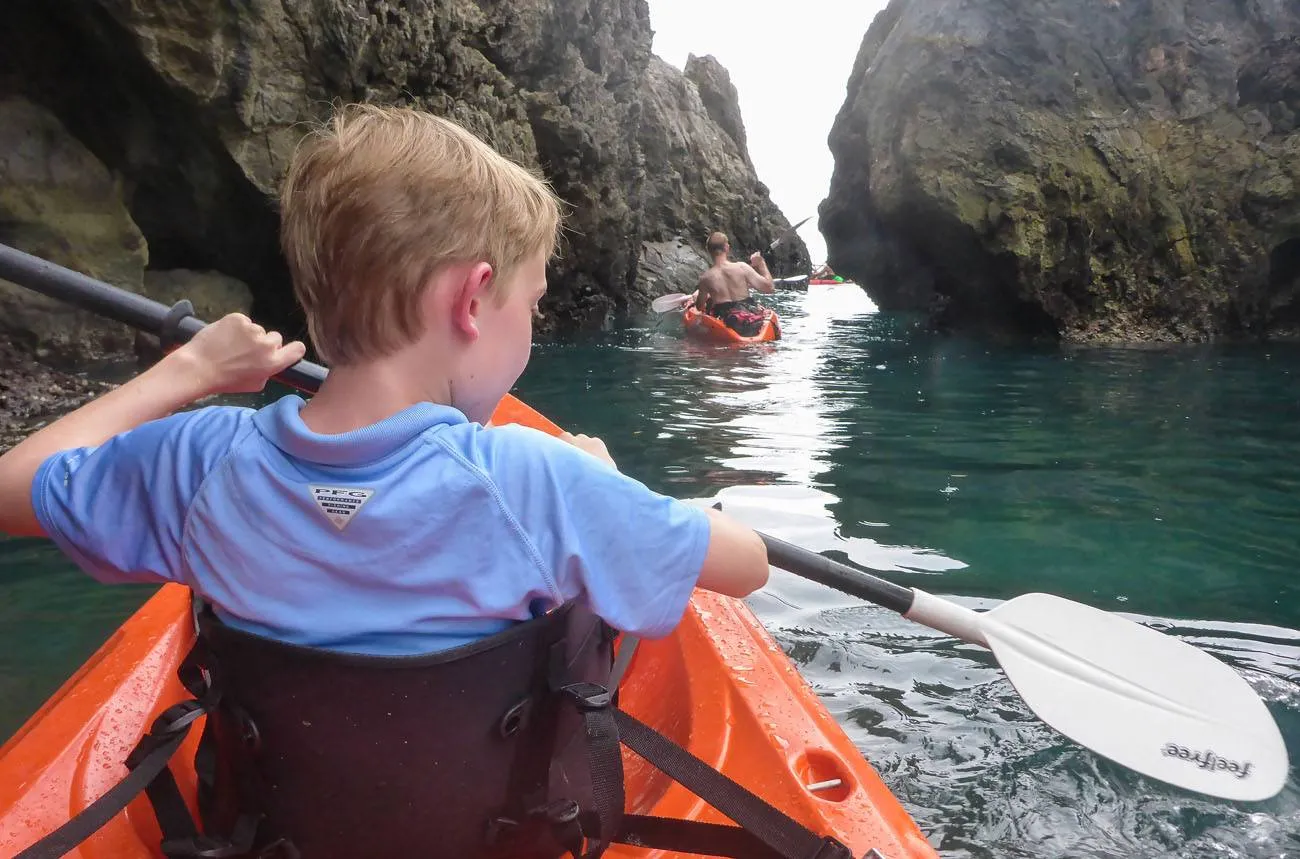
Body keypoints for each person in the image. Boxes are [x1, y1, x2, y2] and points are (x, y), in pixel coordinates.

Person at [0, 103, 771, 857]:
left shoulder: (199, 463)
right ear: (472, 300)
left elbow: (13, 486)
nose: (531, 327)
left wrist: (185, 373)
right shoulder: (541, 481)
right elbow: (749, 564)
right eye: (532, 304)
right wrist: (602, 475)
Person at [694, 231, 777, 337]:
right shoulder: (742, 267)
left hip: (727, 321)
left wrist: (706, 296)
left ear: (708, 250)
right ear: (727, 247)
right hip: (750, 319)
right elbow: (769, 287)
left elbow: (699, 307)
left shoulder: (705, 278)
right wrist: (761, 263)